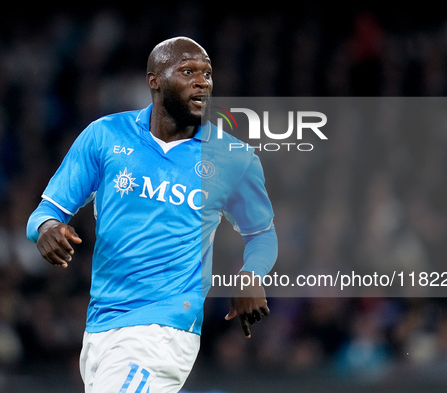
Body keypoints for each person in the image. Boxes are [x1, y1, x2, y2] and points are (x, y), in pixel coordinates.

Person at [26, 36, 278, 393]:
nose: (202, 81)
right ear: (154, 80)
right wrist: (47, 227)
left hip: (164, 327)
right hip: (101, 326)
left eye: (207, 73)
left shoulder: (234, 157)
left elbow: (261, 233)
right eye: (188, 71)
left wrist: (252, 273)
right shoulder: (105, 136)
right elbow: (45, 212)